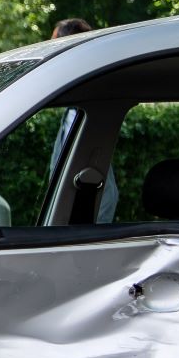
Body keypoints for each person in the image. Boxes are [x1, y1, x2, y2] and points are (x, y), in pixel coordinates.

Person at [46, 18, 119, 222]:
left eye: (54, 45)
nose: (50, 53)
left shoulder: (91, 103)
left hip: (90, 217)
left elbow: (102, 188)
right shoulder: (73, 107)